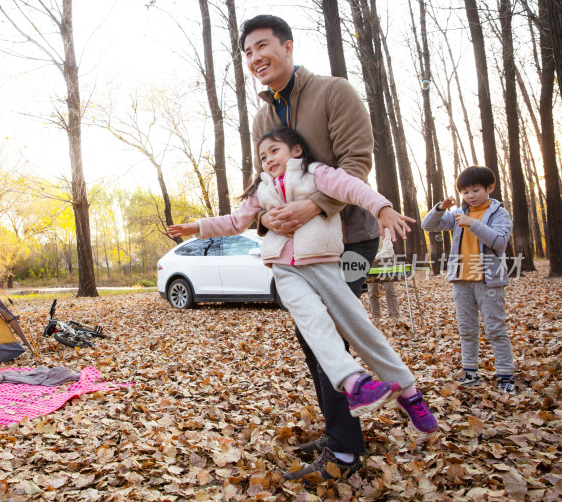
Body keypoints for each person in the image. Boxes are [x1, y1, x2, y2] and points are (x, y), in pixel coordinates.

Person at [168, 127, 438, 480]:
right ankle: (355, 384)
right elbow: (236, 221)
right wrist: (196, 227)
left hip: (324, 265)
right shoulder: (262, 190)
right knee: (315, 326)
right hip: (285, 269)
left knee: (359, 327)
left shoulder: (317, 175)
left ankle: (409, 392)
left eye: (274, 151)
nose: (267, 160)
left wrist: (382, 207)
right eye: (262, 156)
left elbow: (353, 188)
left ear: (296, 150)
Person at [239, 14, 382, 480]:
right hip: (296, 246)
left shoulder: (333, 91)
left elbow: (357, 162)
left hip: (353, 236)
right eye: (247, 52)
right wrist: (261, 214)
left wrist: (313, 206)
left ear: (288, 46)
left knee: (333, 332)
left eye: (262, 46)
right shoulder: (263, 115)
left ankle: (346, 449)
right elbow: (262, 181)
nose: (255, 57)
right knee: (311, 334)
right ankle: (338, 433)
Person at [421, 166, 515, 393]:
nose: (470, 196)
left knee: (495, 329)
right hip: (461, 280)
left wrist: (473, 223)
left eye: (475, 190)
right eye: (465, 192)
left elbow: (500, 241)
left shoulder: (499, 213)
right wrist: (440, 208)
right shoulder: (456, 215)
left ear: (489, 188)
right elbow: (428, 225)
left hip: (488, 280)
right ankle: (470, 372)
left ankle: (505, 376)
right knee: (467, 329)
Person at [367, 229, 402, 326]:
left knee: (389, 289)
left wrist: (373, 257)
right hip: (372, 259)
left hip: (386, 258)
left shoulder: (384, 224)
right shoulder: (365, 223)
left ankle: (395, 317)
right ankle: (376, 318)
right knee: (372, 290)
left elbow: (387, 246)